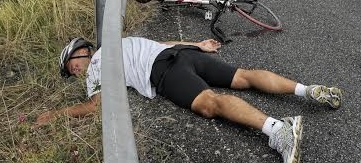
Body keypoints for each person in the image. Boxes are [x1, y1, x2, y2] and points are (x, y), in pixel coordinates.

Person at [35, 37, 344, 163]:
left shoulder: (96, 67)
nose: (76, 73)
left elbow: (96, 106)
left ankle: (279, 129)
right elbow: (162, 42)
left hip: (164, 70)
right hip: (182, 55)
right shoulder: (120, 40)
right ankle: (307, 90)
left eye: (72, 66)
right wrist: (198, 44)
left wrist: (55, 115)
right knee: (243, 76)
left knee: (209, 103)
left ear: (82, 52)